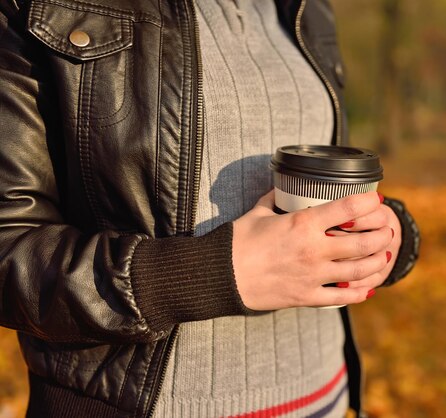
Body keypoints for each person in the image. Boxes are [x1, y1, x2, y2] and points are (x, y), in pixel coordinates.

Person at [0, 0, 419, 416]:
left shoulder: (307, 7)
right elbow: (10, 250)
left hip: (326, 396)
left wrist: (384, 237)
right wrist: (206, 273)